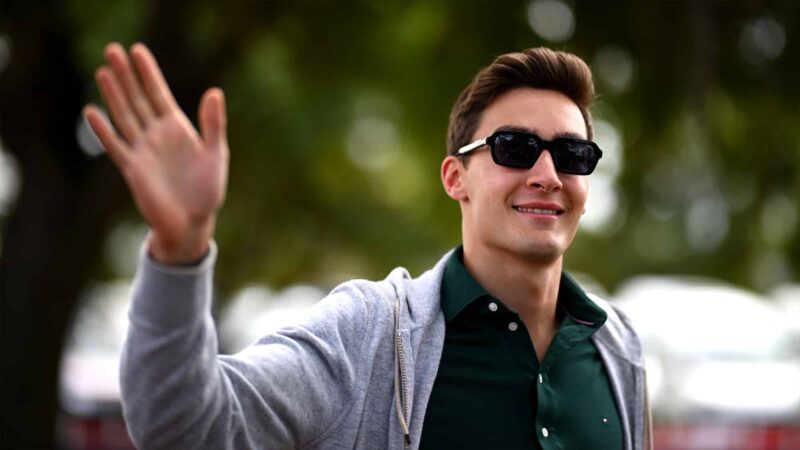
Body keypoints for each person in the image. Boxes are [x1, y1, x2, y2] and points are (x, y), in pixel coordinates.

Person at [85, 42, 651, 450]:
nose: (548, 174)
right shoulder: (371, 336)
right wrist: (179, 250)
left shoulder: (616, 347)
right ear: (456, 178)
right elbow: (185, 427)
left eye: (573, 154)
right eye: (515, 147)